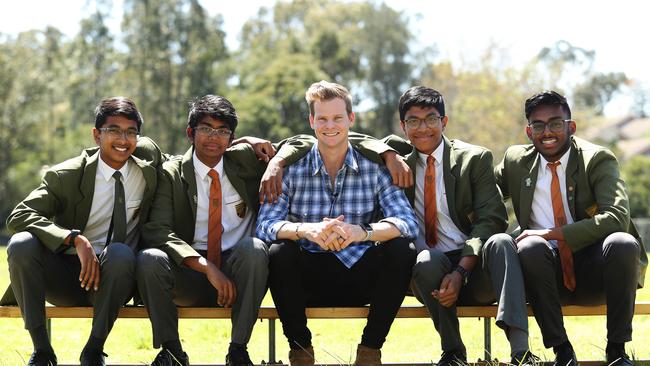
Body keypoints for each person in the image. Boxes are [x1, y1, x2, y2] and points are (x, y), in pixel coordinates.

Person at [137, 94, 318, 366]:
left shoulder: (244, 161)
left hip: (238, 274)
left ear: (232, 138)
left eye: (223, 132)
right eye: (206, 129)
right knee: (150, 258)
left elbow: (305, 141)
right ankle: (172, 351)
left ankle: (238, 350)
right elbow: (159, 231)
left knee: (256, 248)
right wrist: (208, 269)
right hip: (190, 272)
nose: (214, 137)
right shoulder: (171, 173)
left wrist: (274, 160)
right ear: (190, 133)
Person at [256, 81, 418, 366]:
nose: (330, 126)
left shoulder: (376, 169)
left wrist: (361, 233)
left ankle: (370, 351)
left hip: (361, 275)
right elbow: (265, 225)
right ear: (311, 121)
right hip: (308, 278)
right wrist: (306, 230)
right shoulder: (290, 170)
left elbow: (407, 221)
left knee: (402, 249)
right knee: (279, 251)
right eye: (322, 119)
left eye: (337, 118)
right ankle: (301, 351)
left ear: (351, 120)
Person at [379, 86, 534, 365]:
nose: (422, 128)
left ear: (444, 122)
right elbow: (346, 137)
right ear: (403, 127)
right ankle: (453, 352)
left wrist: (461, 269)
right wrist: (387, 153)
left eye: (431, 119)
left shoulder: (473, 159)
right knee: (426, 260)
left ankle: (521, 352)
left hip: (475, 267)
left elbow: (493, 219)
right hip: (429, 274)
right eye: (413, 121)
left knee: (502, 241)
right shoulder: (400, 161)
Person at [4, 97, 164, 366]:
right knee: (21, 243)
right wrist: (73, 239)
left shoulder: (148, 164)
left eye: (131, 132)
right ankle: (42, 351)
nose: (123, 139)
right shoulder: (66, 175)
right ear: (96, 135)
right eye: (113, 130)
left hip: (117, 278)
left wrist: (248, 142)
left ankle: (93, 350)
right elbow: (19, 215)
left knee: (121, 253)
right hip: (67, 276)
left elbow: (199, 157)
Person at [495, 90, 647, 366]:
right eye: (538, 126)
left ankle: (617, 351)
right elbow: (480, 192)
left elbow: (617, 216)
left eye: (555, 123)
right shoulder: (516, 161)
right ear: (529, 131)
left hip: (597, 272)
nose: (547, 132)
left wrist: (553, 233)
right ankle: (562, 351)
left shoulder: (598, 159)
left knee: (623, 242)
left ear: (571, 126)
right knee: (528, 245)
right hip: (544, 277)